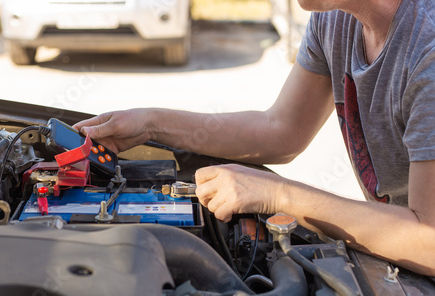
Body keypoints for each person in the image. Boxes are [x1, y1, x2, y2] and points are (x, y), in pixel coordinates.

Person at [74, 0, 435, 276]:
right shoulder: (335, 18)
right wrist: (151, 124)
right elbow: (282, 130)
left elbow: (429, 242)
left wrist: (279, 194)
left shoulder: (427, 47)